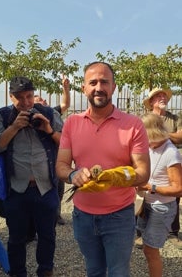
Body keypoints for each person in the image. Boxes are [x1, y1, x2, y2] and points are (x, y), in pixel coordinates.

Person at [56, 61, 150, 277]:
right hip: (83, 216)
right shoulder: (72, 123)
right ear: (84, 88)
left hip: (119, 216)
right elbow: (61, 166)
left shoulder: (133, 124)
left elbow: (143, 172)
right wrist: (73, 174)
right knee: (94, 270)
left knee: (118, 271)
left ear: (113, 87)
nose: (99, 87)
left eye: (104, 82)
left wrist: (117, 176)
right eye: (93, 82)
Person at [0, 76, 63, 277]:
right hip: (16, 190)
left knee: (47, 235)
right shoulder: (2, 116)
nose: (27, 102)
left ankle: (45, 271)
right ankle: (18, 273)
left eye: (29, 96)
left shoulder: (48, 113)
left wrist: (49, 130)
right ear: (11, 97)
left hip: (46, 188)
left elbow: (67, 145)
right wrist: (14, 127)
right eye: (20, 98)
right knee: (16, 238)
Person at [135, 87, 182, 250]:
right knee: (148, 245)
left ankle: (171, 233)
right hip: (148, 200)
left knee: (152, 249)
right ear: (151, 102)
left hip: (161, 204)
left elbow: (178, 189)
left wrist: (151, 187)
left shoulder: (170, 151)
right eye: (158, 96)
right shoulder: (149, 142)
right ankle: (145, 236)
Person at [34, 75, 70, 225]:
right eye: (39, 100)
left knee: (58, 188)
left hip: (55, 158)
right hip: (40, 161)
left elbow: (65, 104)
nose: (43, 101)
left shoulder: (51, 112)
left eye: (42, 99)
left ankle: (56, 214)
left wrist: (65, 87)